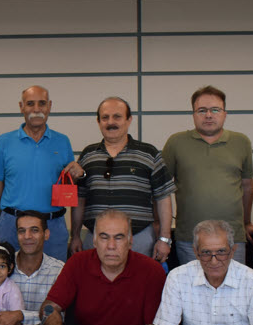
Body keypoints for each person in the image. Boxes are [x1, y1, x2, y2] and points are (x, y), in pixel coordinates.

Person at [42, 210, 166, 325]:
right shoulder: (77, 263)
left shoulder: (152, 271)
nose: (111, 246)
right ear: (94, 241)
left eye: (119, 238)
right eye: (104, 237)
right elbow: (49, 308)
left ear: (130, 241)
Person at [71, 97, 175, 262]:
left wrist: (164, 239)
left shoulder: (149, 153)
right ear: (98, 122)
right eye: (105, 117)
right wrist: (75, 236)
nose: (111, 122)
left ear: (129, 120)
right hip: (96, 241)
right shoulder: (88, 155)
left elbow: (163, 198)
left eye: (117, 117)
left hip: (139, 240)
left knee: (139, 279)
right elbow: (79, 200)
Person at [162, 86, 253, 265]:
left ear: (225, 114)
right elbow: (161, 190)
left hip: (233, 238)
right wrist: (162, 229)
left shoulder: (241, 142)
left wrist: (247, 222)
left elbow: (247, 185)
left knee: (235, 282)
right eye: (202, 110)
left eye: (215, 110)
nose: (209, 115)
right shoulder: (176, 143)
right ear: (193, 114)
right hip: (190, 239)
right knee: (193, 283)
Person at [0, 86, 82, 259]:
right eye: (30, 104)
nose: (36, 109)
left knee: (55, 275)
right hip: (11, 226)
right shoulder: (4, 141)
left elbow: (70, 184)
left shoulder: (62, 142)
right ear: (21, 107)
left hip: (52, 227)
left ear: (50, 106)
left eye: (42, 103)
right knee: (8, 274)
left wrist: (78, 174)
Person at [8, 210, 64, 325]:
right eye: (22, 231)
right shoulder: (1, 266)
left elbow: (61, 317)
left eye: (34, 230)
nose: (27, 236)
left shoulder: (59, 270)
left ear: (46, 234)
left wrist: (20, 316)